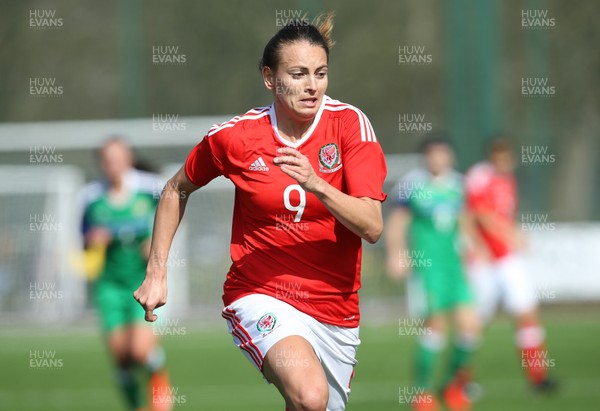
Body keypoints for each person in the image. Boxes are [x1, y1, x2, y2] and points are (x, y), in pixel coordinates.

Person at [133, 13, 387, 411]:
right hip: (261, 293)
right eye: (298, 73)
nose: (312, 86)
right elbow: (174, 189)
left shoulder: (350, 126)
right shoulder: (236, 138)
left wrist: (316, 183)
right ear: (270, 78)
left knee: (310, 405)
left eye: (320, 73)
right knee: (309, 395)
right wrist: (156, 270)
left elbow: (372, 226)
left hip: (335, 308)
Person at [386, 134, 481, 411]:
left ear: (450, 157)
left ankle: (452, 386)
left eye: (442, 153)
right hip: (426, 268)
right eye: (432, 153)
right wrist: (397, 255)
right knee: (435, 325)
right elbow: (397, 223)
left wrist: (475, 247)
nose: (437, 158)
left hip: (455, 267)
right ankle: (422, 393)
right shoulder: (412, 185)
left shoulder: (459, 185)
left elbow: (465, 221)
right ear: (425, 156)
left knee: (470, 326)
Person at [82, 138, 172, 411]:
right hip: (109, 286)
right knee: (122, 358)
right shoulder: (90, 197)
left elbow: (173, 214)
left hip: (144, 282)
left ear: (129, 159)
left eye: (118, 159)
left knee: (140, 351)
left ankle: (160, 402)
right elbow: (82, 243)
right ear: (101, 163)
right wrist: (93, 241)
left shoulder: (149, 189)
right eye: (108, 161)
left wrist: (155, 246)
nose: (113, 166)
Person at [464, 138, 556, 392]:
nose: (503, 163)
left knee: (527, 313)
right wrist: (511, 234)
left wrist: (510, 237)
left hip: (507, 259)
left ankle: (538, 377)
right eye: (498, 158)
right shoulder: (479, 176)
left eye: (507, 159)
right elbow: (480, 214)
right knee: (473, 322)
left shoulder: (508, 180)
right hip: (483, 261)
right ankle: (460, 379)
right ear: (491, 157)